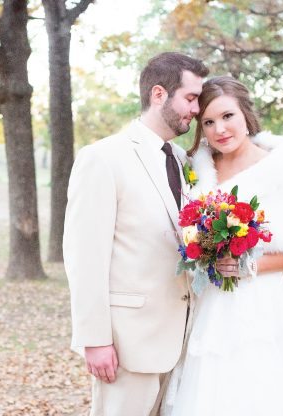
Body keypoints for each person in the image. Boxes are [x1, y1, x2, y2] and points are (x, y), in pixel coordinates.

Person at [161, 75, 283, 416]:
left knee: (260, 392)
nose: (219, 129)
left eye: (227, 116)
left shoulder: (279, 166)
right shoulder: (197, 167)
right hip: (208, 302)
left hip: (259, 303)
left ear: (246, 116)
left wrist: (248, 266)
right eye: (208, 122)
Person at [63, 52, 209, 416]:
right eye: (190, 98)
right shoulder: (103, 157)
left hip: (182, 337)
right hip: (128, 343)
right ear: (159, 94)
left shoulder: (180, 160)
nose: (196, 110)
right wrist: (94, 340)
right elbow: (84, 256)